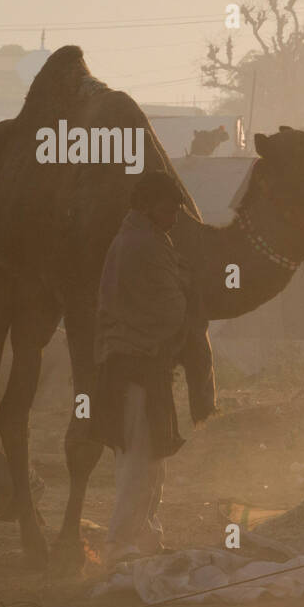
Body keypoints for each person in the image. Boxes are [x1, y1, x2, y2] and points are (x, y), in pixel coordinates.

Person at [94, 172, 193, 567]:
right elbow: (172, 310)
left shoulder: (145, 241)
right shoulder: (142, 245)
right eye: (169, 209)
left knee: (153, 461)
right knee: (137, 461)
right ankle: (120, 545)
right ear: (149, 206)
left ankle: (146, 538)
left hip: (144, 365)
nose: (173, 217)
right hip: (134, 365)